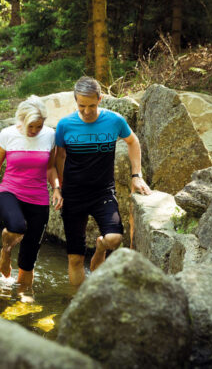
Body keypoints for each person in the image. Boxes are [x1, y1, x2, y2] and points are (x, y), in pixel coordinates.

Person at [55, 76, 151, 286]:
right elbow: (59, 157)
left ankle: (100, 248)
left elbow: (133, 142)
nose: (87, 111)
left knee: (114, 239)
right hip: (73, 195)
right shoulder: (65, 125)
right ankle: (77, 306)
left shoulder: (114, 120)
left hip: (103, 193)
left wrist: (137, 175)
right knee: (75, 258)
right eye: (81, 106)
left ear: (100, 99)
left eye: (91, 105)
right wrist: (59, 187)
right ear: (75, 101)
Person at [0, 96, 63, 288]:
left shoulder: (50, 135)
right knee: (16, 225)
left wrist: (56, 188)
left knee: (29, 256)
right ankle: (6, 250)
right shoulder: (7, 135)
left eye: (38, 127)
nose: (34, 131)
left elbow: (50, 169)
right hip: (10, 192)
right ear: (21, 120)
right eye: (30, 126)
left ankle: (24, 294)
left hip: (39, 199)